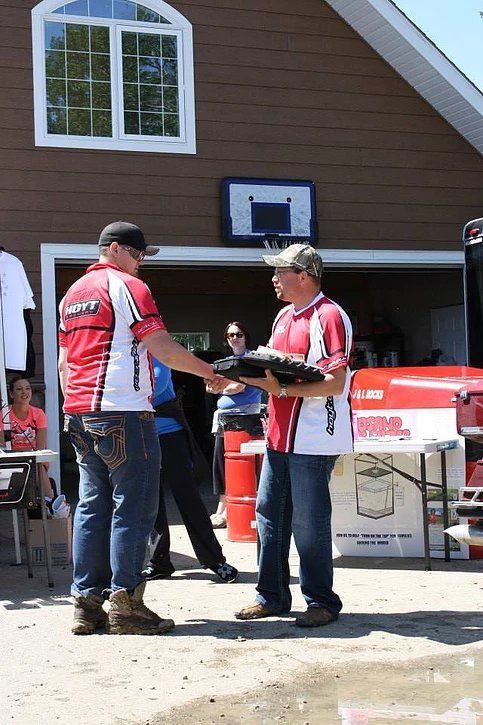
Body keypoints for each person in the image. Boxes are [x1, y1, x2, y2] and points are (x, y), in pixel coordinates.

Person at [58, 221, 225, 637]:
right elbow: (161, 346)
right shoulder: (127, 288)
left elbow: (64, 364)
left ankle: (86, 604)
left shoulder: (72, 295)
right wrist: (210, 373)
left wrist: (75, 406)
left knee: (91, 506)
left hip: (78, 412)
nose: (140, 264)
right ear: (114, 249)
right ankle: (127, 604)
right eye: (137, 255)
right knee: (133, 508)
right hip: (124, 412)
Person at [235, 243, 353, 628]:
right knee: (269, 515)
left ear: (304, 275)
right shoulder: (284, 315)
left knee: (308, 521)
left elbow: (335, 384)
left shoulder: (330, 315)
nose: (273, 278)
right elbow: (278, 375)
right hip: (280, 436)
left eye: (280, 272)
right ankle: (270, 596)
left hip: (315, 437)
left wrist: (280, 390)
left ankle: (321, 601)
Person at [141, 358, 238, 583]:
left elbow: (154, 388)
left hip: (170, 434)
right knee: (150, 500)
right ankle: (159, 562)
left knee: (188, 498)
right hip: (142, 435)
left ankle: (215, 560)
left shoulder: (158, 353)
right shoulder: (128, 353)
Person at [207, 321, 262, 528]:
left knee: (242, 466)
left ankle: (233, 509)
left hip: (245, 418)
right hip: (224, 418)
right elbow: (210, 384)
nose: (235, 338)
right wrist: (223, 386)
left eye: (238, 334)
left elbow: (239, 387)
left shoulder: (252, 359)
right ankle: (222, 508)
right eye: (230, 335)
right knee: (221, 464)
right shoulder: (224, 362)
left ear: (245, 336)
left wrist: (223, 386)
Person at [0, 376, 55, 501]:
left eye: (27, 388)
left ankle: (51, 506)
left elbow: (40, 448)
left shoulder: (38, 413)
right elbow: (3, 447)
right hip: (11, 460)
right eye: (19, 389)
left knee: (38, 466)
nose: (24, 392)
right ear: (11, 394)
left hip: (33, 459)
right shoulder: (4, 415)